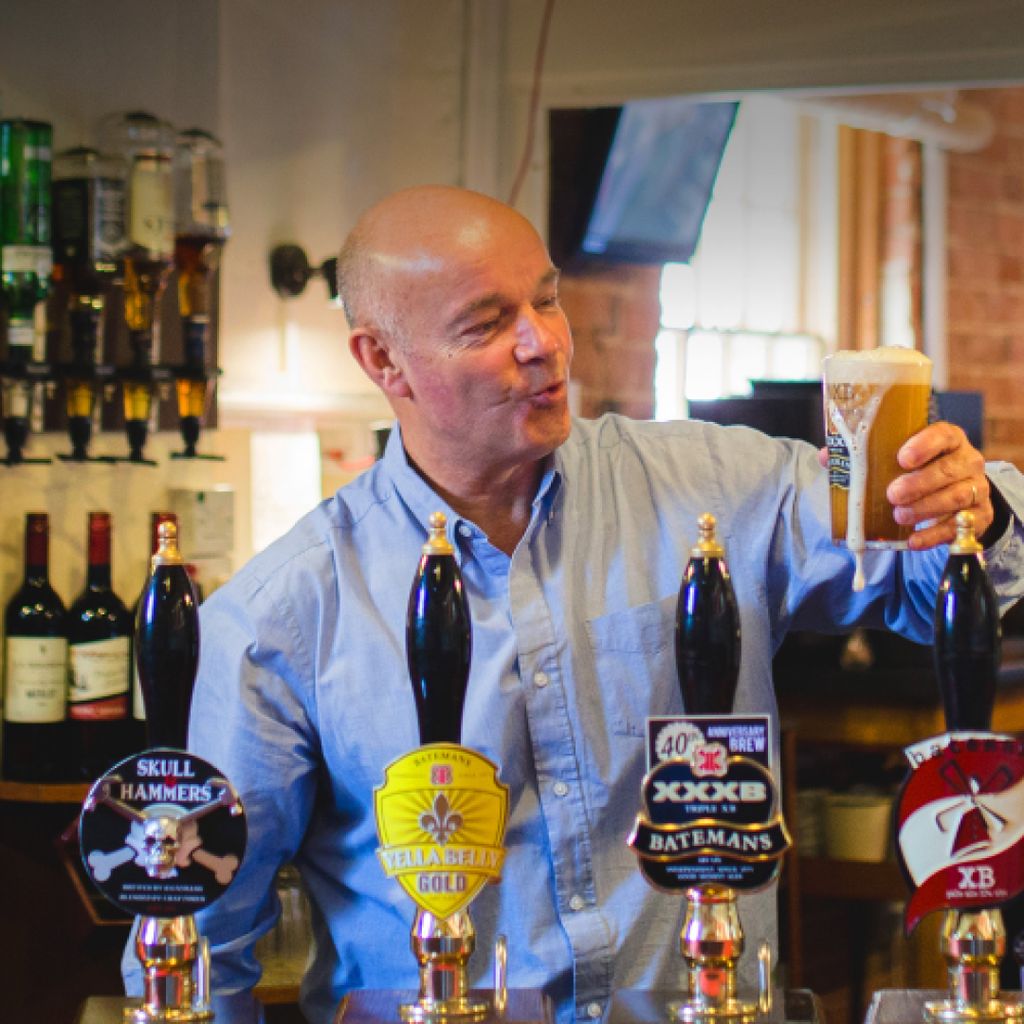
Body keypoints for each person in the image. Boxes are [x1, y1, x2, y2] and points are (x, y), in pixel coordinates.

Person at [131, 186, 1024, 1023]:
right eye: (486, 324)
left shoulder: (714, 486)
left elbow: (931, 584)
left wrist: (969, 511)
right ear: (381, 359)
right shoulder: (282, 613)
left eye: (546, 301)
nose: (543, 344)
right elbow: (198, 930)